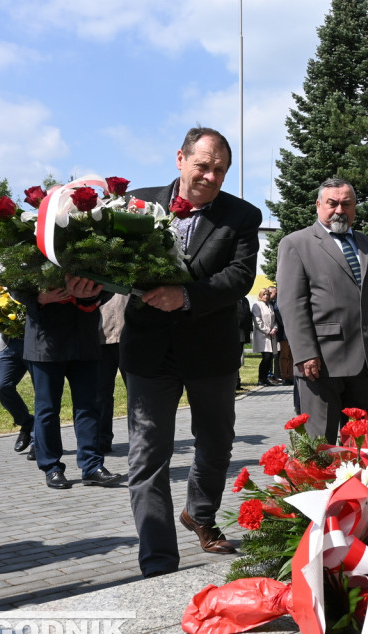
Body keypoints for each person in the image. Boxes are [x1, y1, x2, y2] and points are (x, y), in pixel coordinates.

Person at [114, 127, 261, 577]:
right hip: (148, 351)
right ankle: (158, 561)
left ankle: (199, 513)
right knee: (147, 456)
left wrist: (187, 296)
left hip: (210, 351)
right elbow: (111, 262)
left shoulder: (242, 216)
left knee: (215, 445)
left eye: (219, 170)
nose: (210, 176)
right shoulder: (136, 205)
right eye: (202, 166)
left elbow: (238, 277)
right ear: (180, 158)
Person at [276, 178, 368, 444]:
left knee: (360, 449)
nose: (340, 210)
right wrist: (305, 354)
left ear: (355, 208)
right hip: (320, 365)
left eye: (346, 204)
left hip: (364, 364)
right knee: (320, 448)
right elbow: (292, 304)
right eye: (332, 203)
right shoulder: (296, 243)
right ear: (318, 205)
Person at [22, 282, 121, 489]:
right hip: (44, 341)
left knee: (89, 407)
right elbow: (15, 284)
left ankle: (92, 466)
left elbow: (110, 281)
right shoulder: (33, 249)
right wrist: (40, 298)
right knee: (47, 409)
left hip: (83, 339)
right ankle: (51, 467)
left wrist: (91, 293)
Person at [0, 331, 35, 458]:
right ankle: (27, 422)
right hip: (10, 341)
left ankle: (39, 442)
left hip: (38, 342)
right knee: (1, 386)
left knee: (43, 392)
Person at [96, 293, 128, 452]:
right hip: (101, 337)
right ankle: (102, 440)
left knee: (137, 394)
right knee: (101, 394)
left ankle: (140, 438)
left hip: (129, 337)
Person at [251, 287, 281, 386]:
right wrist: (268, 330)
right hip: (262, 336)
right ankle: (261, 378)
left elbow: (274, 320)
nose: (266, 296)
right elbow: (257, 321)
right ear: (260, 295)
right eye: (264, 294)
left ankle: (265, 379)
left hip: (271, 335)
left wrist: (275, 328)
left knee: (270, 357)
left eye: (267, 294)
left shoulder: (270, 306)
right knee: (266, 357)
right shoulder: (257, 305)